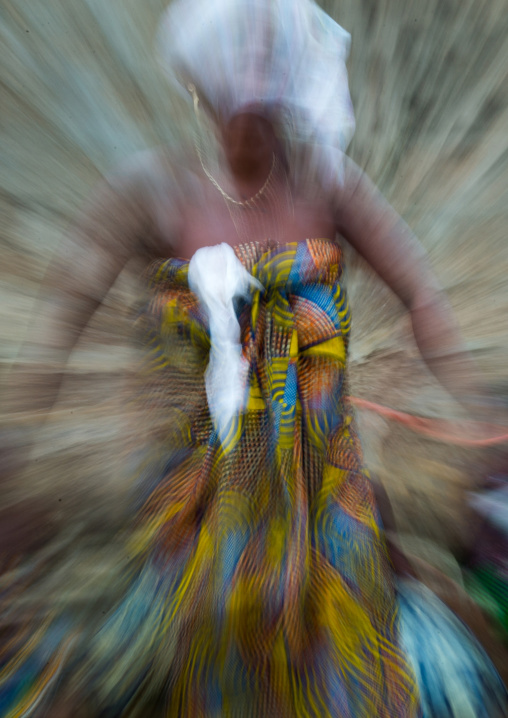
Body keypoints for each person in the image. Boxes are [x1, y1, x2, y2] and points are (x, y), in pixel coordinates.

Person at [0, 0, 507, 715]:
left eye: (270, 56)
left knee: (339, 670)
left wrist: (483, 415)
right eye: (237, 57)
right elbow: (60, 320)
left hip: (323, 498)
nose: (255, 77)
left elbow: (422, 295)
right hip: (203, 500)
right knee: (216, 661)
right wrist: (17, 439)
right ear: (200, 83)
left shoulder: (328, 187)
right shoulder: (156, 194)